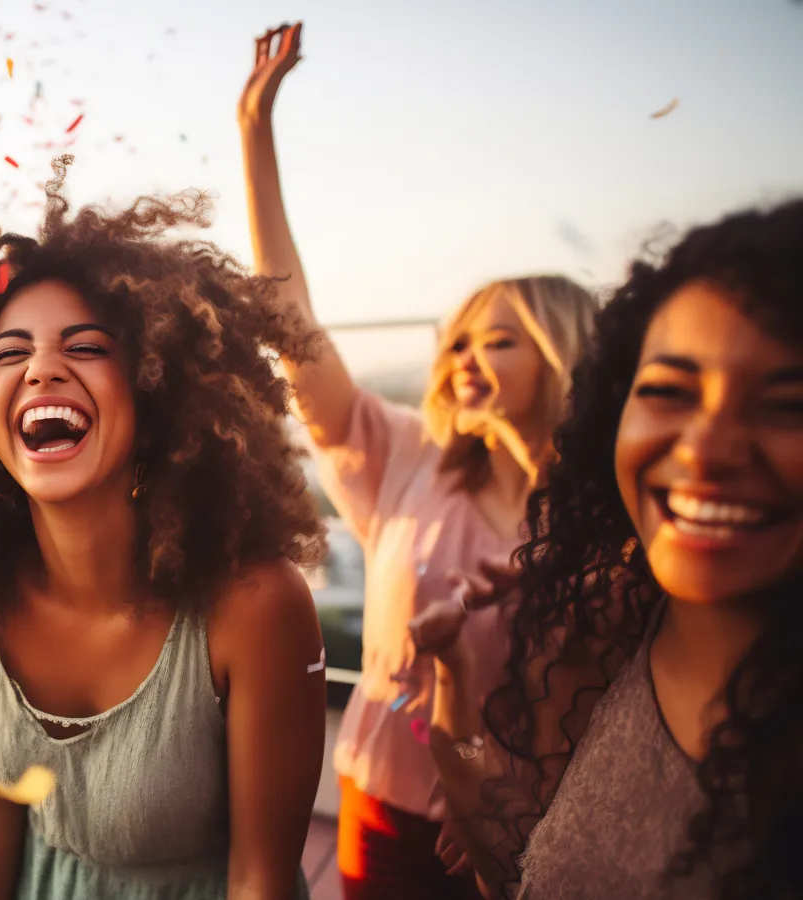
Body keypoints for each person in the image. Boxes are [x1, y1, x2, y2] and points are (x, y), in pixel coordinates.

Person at [0, 155, 328, 900]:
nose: (41, 370)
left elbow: (261, 878)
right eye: (9, 353)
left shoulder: (256, 607)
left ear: (155, 391)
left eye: (84, 347)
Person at [237, 22, 599, 900]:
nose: (463, 357)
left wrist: (496, 797)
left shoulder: (609, 517)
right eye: (460, 339)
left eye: (498, 340)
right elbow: (294, 330)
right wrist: (255, 135)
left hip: (535, 818)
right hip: (388, 809)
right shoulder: (406, 454)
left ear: (562, 355)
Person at [414, 199, 803, 900]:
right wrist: (454, 679)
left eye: (788, 405)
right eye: (670, 392)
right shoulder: (609, 621)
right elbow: (502, 848)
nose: (706, 451)